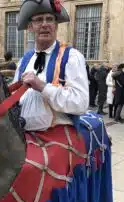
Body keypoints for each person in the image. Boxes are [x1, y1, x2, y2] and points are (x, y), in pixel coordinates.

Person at [12, 0, 89, 132]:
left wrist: (42, 86)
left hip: (57, 136)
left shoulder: (71, 57)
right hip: (23, 135)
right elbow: (13, 99)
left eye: (50, 19)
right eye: (38, 20)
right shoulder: (24, 60)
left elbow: (81, 103)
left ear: (56, 25)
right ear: (30, 27)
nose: (45, 24)